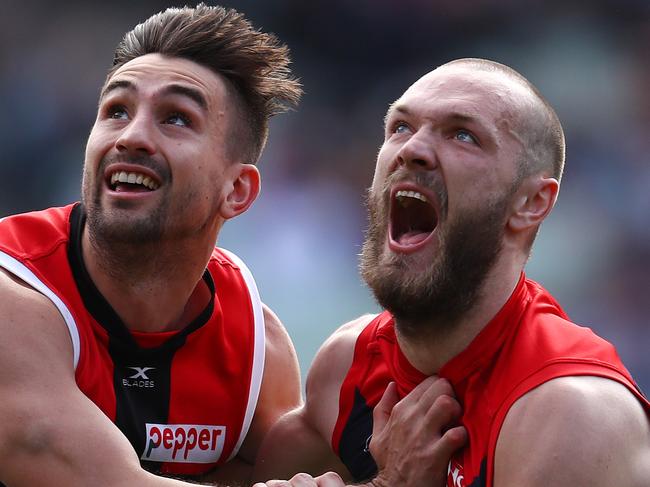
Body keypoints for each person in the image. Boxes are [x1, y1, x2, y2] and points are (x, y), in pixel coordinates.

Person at [0, 5, 465, 487]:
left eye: (176, 119)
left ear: (237, 190)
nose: (132, 136)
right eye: (116, 110)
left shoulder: (256, 350)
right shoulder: (13, 293)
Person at [253, 58, 650, 486]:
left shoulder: (572, 415)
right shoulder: (347, 365)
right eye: (401, 127)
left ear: (531, 202)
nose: (412, 149)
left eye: (463, 135)